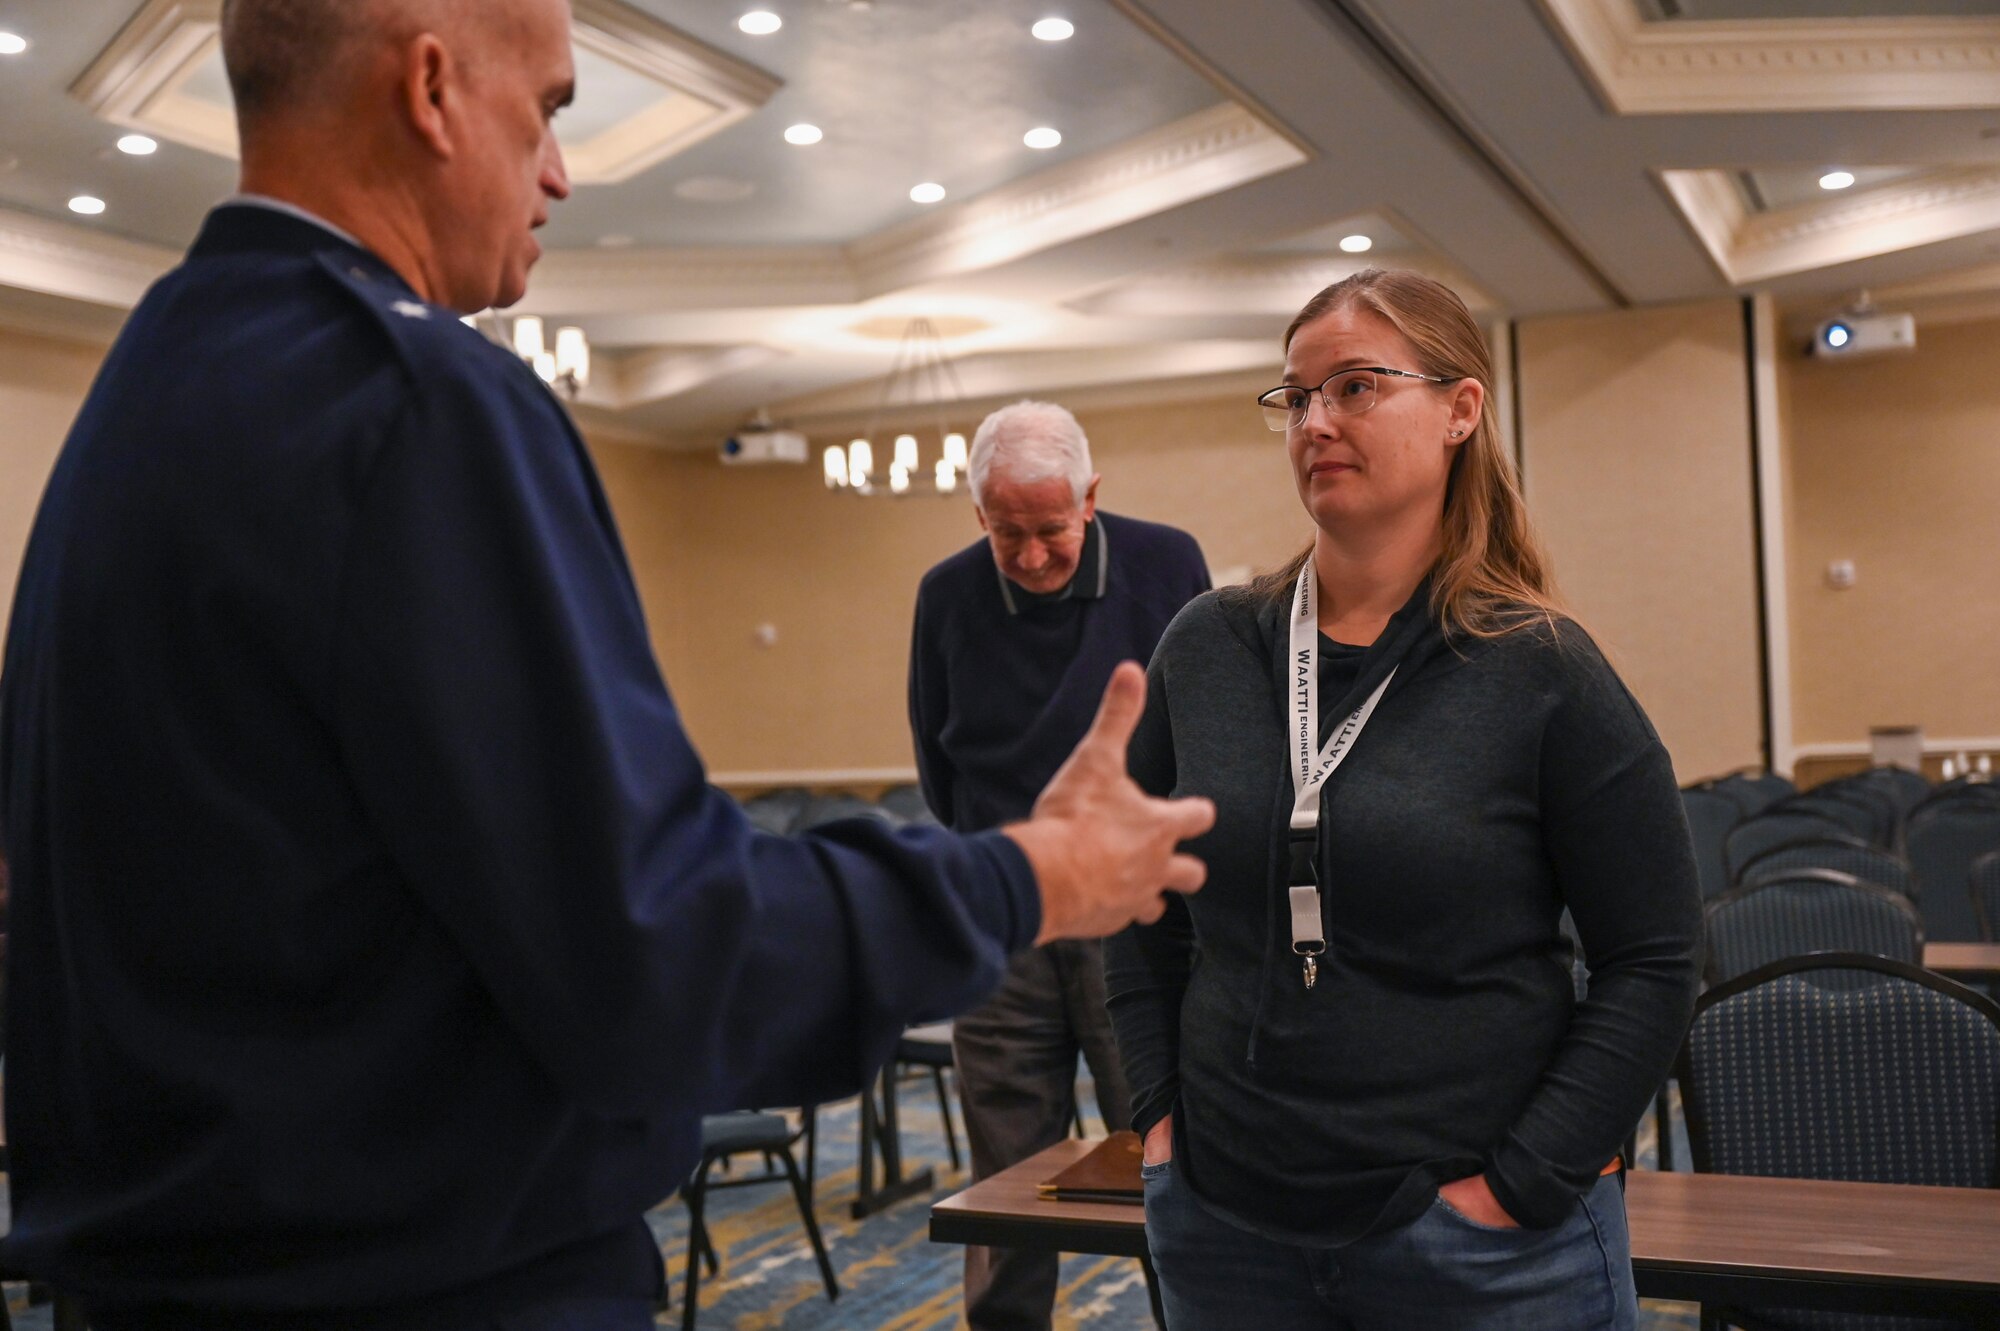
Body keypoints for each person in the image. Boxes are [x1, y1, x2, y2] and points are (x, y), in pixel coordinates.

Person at [0, 2, 1216, 1327]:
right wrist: (1027, 873)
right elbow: (662, 947)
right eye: (551, 109)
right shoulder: (416, 401)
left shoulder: (138, 394)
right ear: (430, 87)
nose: (563, 173)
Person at [1104, 269, 1703, 1330]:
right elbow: (1139, 902)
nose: (1316, 421)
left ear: (1459, 409)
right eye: (1296, 396)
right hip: (1227, 1225)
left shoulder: (1540, 667)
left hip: (1478, 1245)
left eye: (1355, 387)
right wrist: (1157, 1123)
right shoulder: (1208, 644)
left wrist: (1520, 1183)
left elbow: (1651, 955)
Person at [908, 401, 1209, 1331]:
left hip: (1140, 915)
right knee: (1004, 1178)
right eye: (1009, 534)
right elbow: (937, 762)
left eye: (1052, 530)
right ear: (979, 517)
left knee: (1168, 1157)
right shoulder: (947, 593)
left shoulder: (1167, 565)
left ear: (1091, 498)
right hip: (1006, 918)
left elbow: (1202, 727)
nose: (1032, 555)